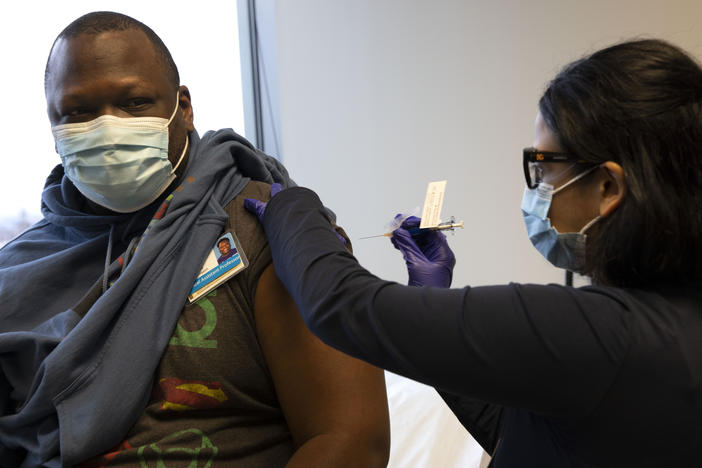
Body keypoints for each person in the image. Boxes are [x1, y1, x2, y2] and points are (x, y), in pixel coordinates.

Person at [245, 38, 702, 467]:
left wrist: (293, 206)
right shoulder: (673, 324)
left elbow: (343, 306)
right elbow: (524, 435)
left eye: (543, 169)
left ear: (608, 186)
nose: (536, 191)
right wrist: (434, 298)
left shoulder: (600, 332)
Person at [0, 11, 390, 467]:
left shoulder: (269, 228)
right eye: (78, 112)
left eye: (134, 102)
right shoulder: (17, 273)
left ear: (183, 108)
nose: (108, 129)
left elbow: (351, 439)